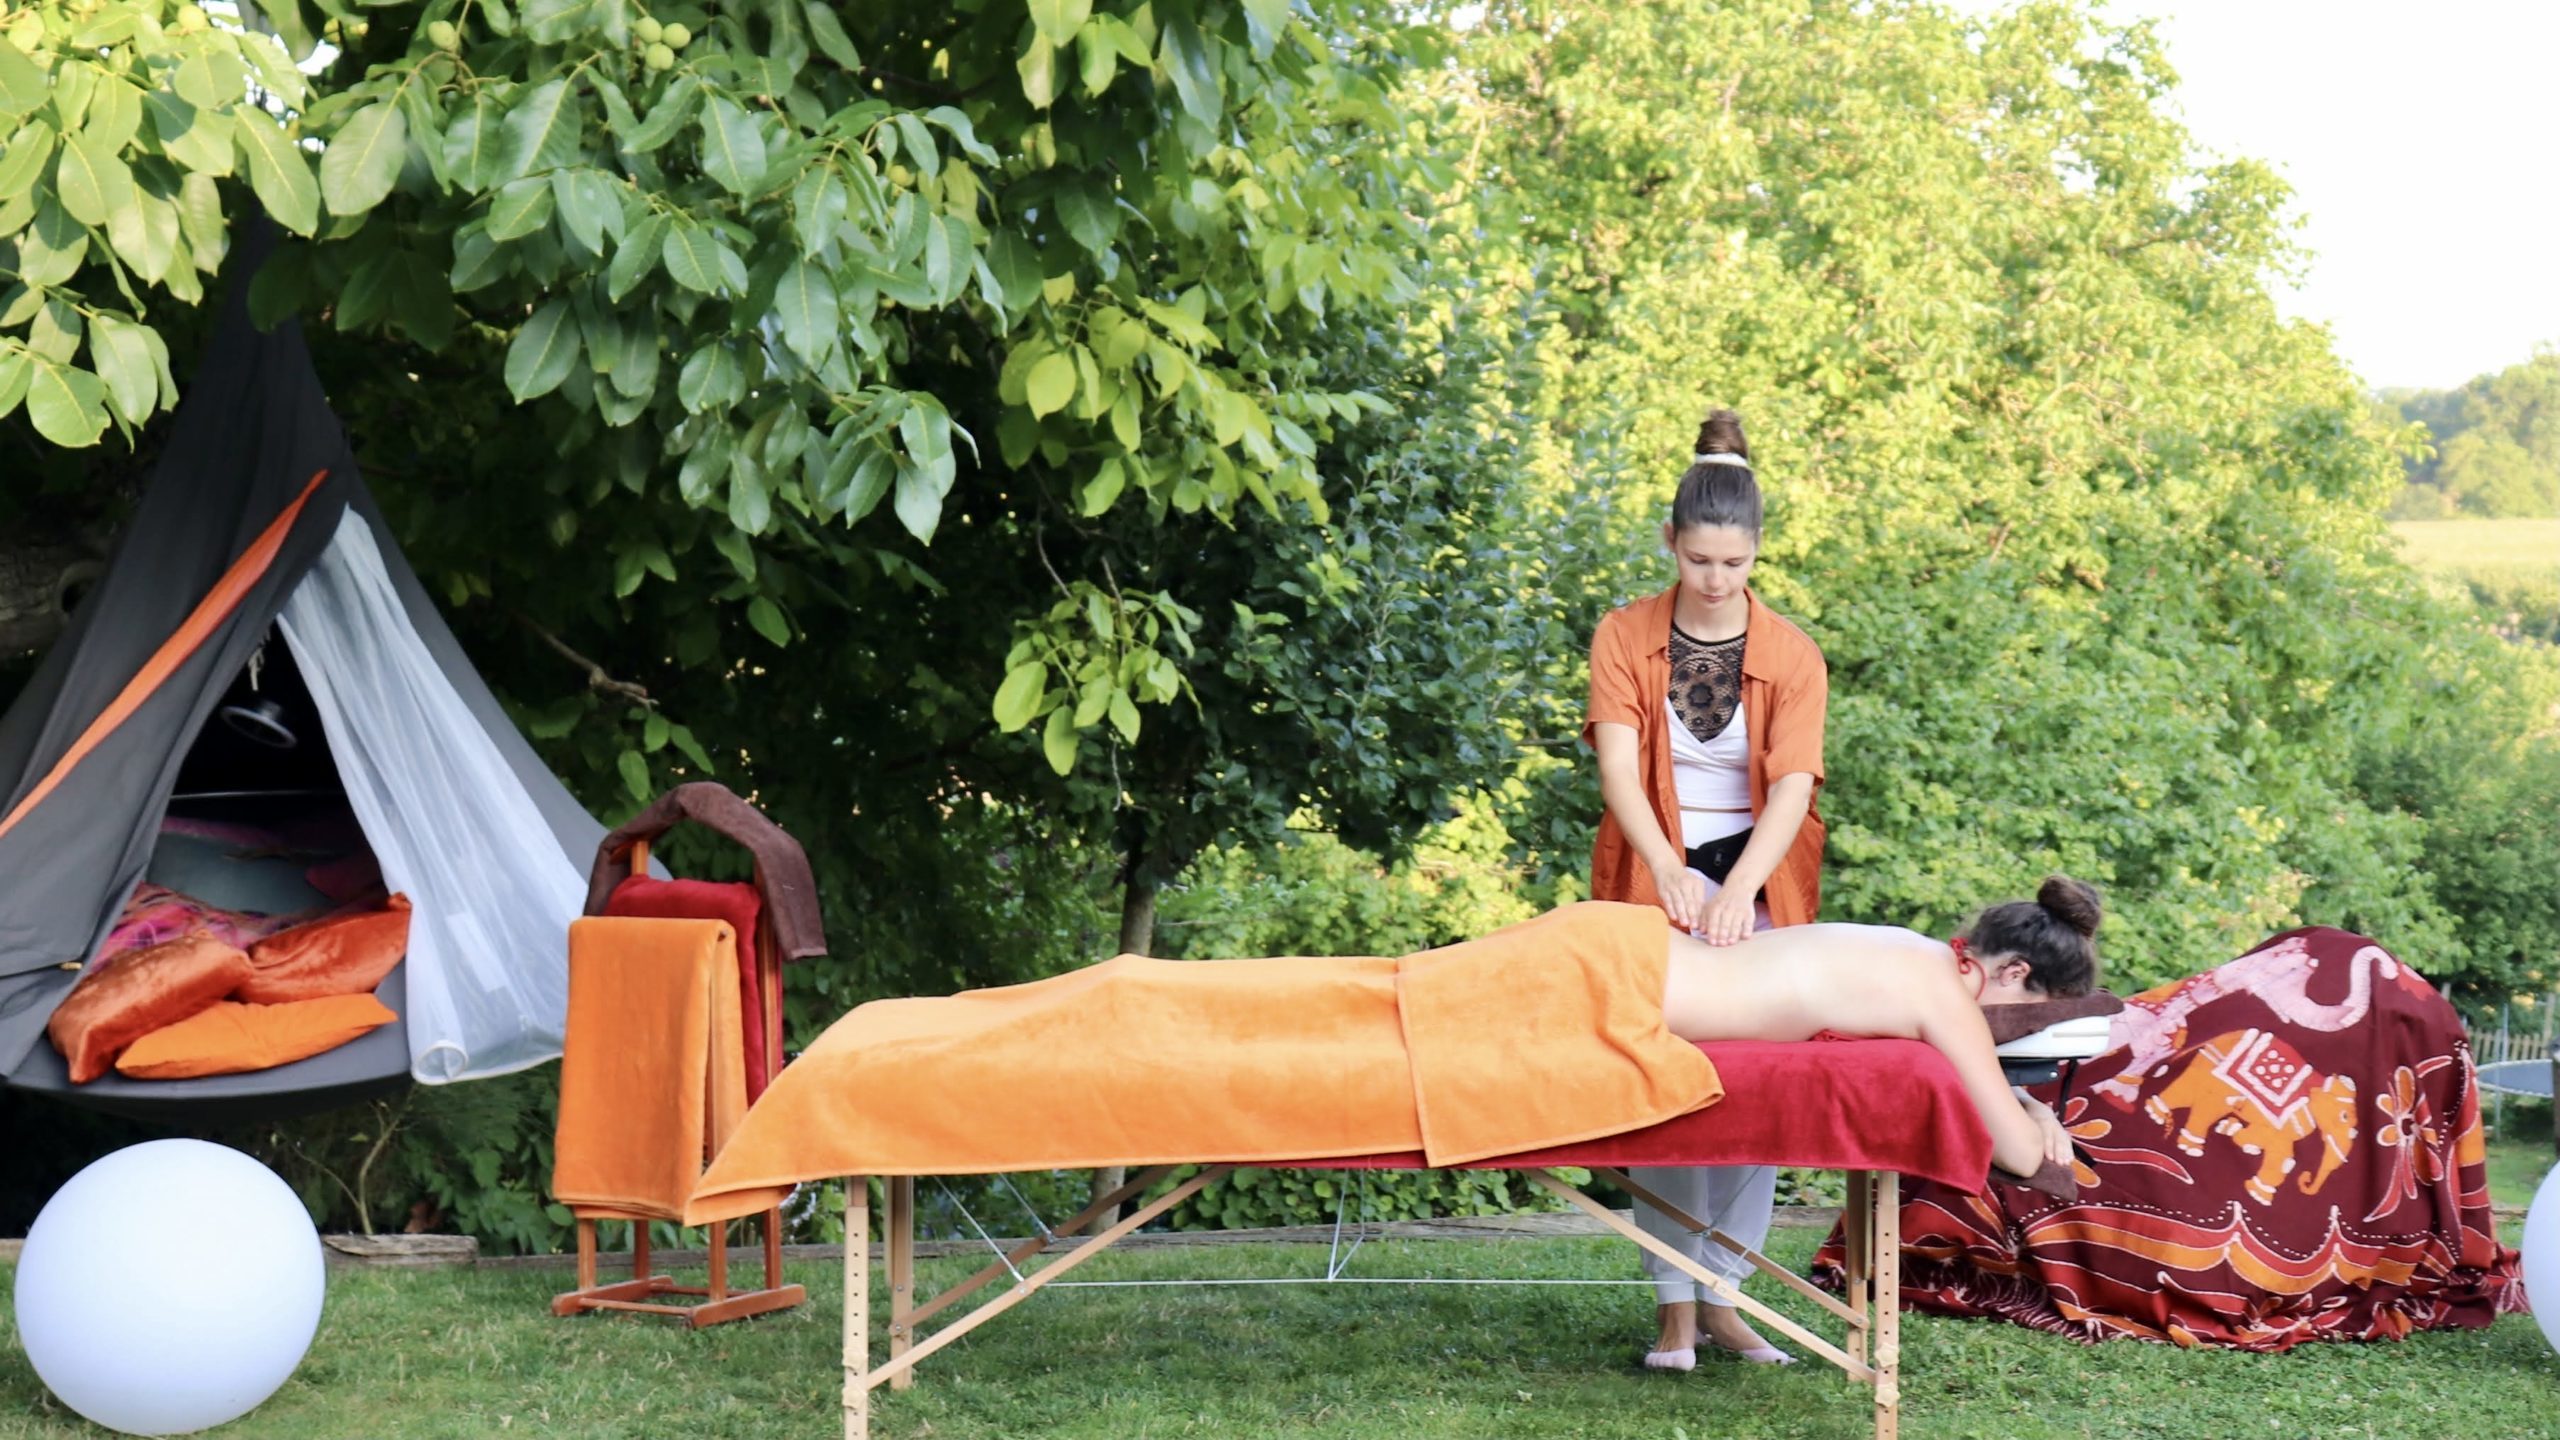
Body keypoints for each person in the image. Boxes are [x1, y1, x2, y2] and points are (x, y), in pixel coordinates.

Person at [1585, 407, 1830, 1369]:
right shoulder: (1623, 635)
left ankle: (1725, 1295)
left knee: (1755, 1083)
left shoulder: (1793, 655)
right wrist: (1667, 870)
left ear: (1757, 552)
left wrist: (1740, 892)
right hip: (1656, 866)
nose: (1717, 579)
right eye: (1698, 561)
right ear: (1670, 543)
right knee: (1665, 1078)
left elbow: (1794, 788)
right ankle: (1672, 1307)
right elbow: (1618, 770)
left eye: (1734, 563)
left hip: (1759, 875)